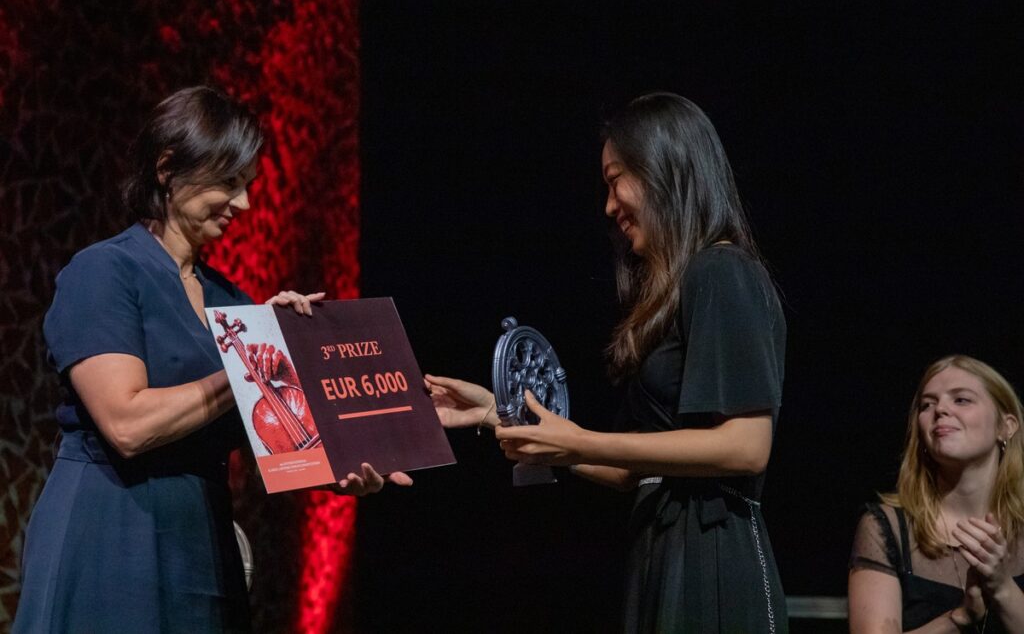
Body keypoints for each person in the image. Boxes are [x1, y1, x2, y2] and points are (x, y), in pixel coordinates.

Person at [14, 86, 409, 633]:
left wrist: (349, 463)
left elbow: (280, 440)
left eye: (247, 186)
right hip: (110, 531)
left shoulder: (232, 302)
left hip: (200, 542)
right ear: (168, 168)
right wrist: (255, 358)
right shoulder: (104, 272)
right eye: (228, 183)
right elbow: (127, 424)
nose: (243, 204)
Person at [428, 92, 787, 633]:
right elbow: (627, 469)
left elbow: (746, 445)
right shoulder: (681, 289)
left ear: (664, 169)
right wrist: (499, 415)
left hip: (714, 554)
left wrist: (577, 443)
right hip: (663, 547)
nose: (609, 205)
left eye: (616, 179)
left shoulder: (721, 271)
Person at [849, 355, 1024, 633]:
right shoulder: (886, 528)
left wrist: (1002, 586)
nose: (940, 409)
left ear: (1006, 426)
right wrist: (961, 617)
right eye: (927, 404)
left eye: (961, 400)